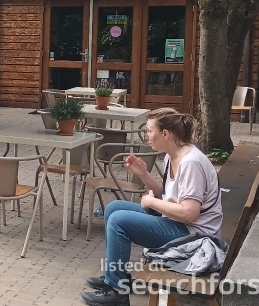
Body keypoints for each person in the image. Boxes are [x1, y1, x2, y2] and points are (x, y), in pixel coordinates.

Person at [80, 108, 223, 306]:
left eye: (149, 130)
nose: (146, 135)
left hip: (195, 238)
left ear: (165, 134)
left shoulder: (191, 162)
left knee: (118, 221)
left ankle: (117, 291)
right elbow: (169, 195)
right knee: (113, 208)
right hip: (179, 225)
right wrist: (144, 174)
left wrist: (151, 202)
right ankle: (115, 277)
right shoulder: (171, 156)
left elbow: (189, 213)